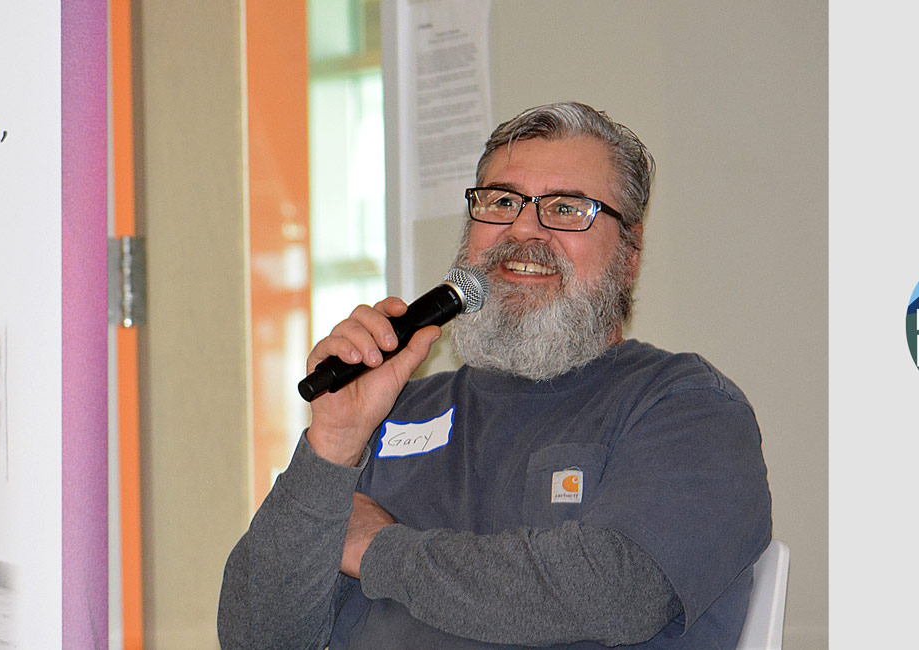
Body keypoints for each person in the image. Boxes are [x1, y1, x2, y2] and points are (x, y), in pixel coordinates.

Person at [220, 102, 772, 649]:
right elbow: (256, 638)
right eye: (502, 201)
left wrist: (377, 548)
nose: (523, 229)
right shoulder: (388, 414)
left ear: (630, 253)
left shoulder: (685, 406)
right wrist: (332, 447)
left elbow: (614, 594)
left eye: (566, 208)